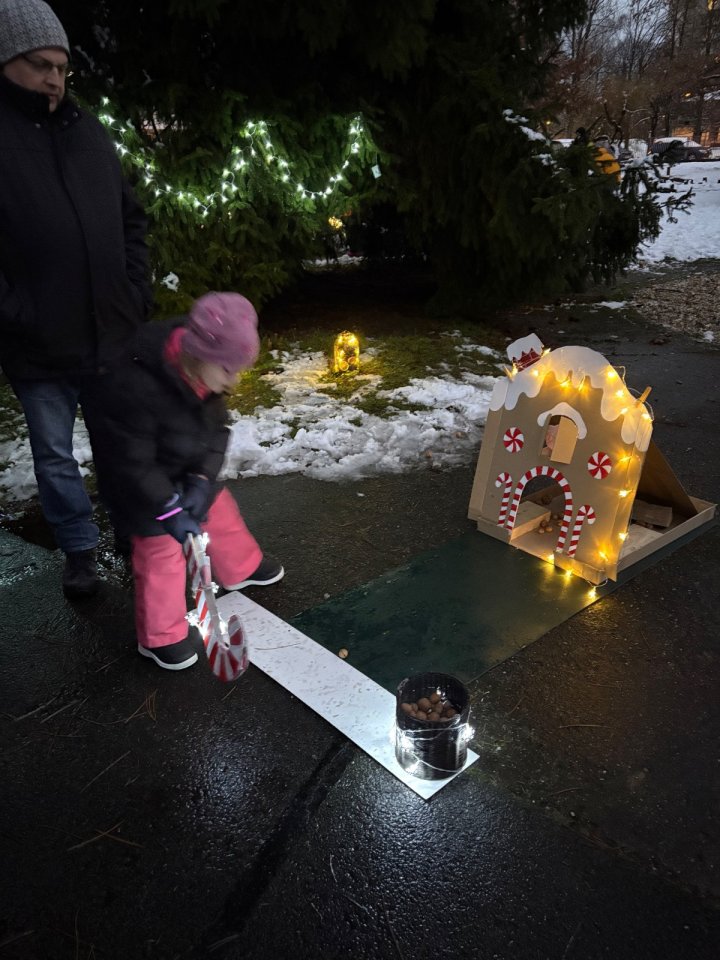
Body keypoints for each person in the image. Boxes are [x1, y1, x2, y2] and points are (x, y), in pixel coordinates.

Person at [0, 0, 152, 599]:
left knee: (121, 445)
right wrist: (19, 313)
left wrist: (133, 292)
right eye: (41, 65)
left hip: (110, 331)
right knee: (55, 456)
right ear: (6, 60)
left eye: (62, 68)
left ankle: (134, 539)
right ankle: (80, 552)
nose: (55, 79)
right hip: (37, 343)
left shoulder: (88, 131)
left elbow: (131, 218)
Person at [94, 292, 284, 671]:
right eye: (228, 370)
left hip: (185, 466)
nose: (234, 381)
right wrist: (167, 507)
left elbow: (217, 433)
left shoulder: (206, 377)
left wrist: (201, 478)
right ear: (200, 356)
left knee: (219, 511)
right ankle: (161, 635)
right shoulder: (132, 385)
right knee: (161, 549)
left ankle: (241, 568)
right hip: (140, 486)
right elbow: (131, 461)